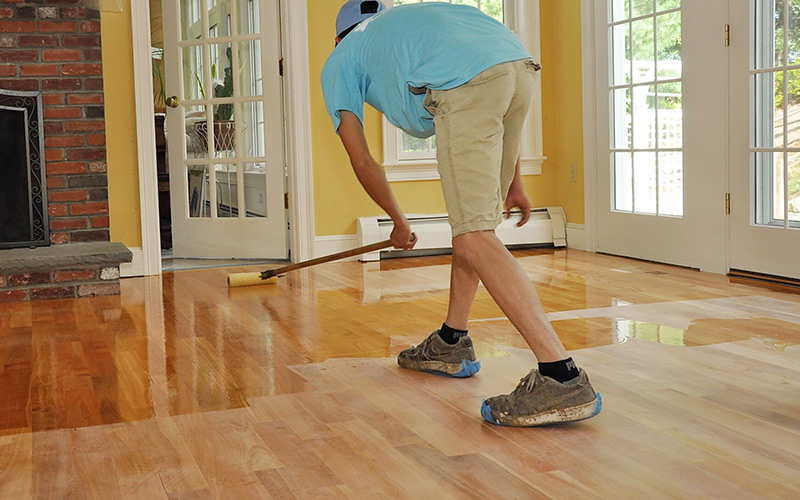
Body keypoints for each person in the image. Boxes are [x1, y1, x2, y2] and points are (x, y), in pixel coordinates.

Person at [322, 0, 601, 427]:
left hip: (466, 85)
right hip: (518, 67)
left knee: (473, 235)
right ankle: (452, 340)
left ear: (340, 35)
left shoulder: (344, 54)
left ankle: (560, 376)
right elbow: (495, 75)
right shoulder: (412, 24)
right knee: (473, 229)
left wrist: (398, 220)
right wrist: (514, 182)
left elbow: (362, 160)